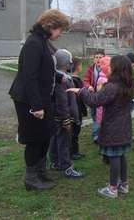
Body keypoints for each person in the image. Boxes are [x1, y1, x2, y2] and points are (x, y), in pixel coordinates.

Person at [9, 9, 70, 191]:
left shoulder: (43, 42)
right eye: (60, 29)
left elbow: (45, 68)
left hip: (42, 97)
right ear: (50, 25)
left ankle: (41, 172)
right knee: (35, 138)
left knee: (45, 135)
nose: (61, 34)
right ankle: (31, 178)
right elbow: (29, 76)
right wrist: (36, 106)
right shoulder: (34, 44)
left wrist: (59, 78)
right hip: (29, 100)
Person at [67, 55, 134, 199]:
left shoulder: (112, 87)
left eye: (110, 67)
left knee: (114, 157)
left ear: (117, 70)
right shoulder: (129, 84)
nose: (106, 69)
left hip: (113, 128)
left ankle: (112, 189)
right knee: (121, 155)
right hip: (124, 127)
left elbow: (94, 100)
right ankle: (124, 184)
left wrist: (81, 91)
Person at [49, 49, 84, 178]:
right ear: (67, 63)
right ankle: (66, 167)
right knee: (64, 142)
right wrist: (66, 119)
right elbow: (62, 101)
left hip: (56, 115)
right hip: (62, 116)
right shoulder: (61, 80)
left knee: (55, 139)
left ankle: (55, 161)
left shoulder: (57, 77)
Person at [83, 49, 106, 144]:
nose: (98, 59)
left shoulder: (106, 69)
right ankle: (98, 130)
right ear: (93, 59)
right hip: (93, 96)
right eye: (96, 57)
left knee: (100, 115)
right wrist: (89, 86)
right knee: (93, 114)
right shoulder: (91, 69)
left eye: (100, 57)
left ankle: (96, 135)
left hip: (103, 96)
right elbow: (85, 80)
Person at [70, 57, 87, 160]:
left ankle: (74, 151)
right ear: (77, 67)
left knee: (74, 132)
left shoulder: (69, 78)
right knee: (75, 132)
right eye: (80, 65)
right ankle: (73, 152)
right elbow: (82, 95)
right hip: (76, 109)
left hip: (74, 109)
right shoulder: (76, 80)